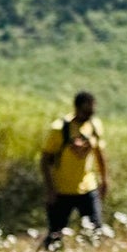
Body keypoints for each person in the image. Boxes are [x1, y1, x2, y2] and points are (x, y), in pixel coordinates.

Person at [41, 93, 108, 244]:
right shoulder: (59, 129)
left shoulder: (94, 126)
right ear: (77, 108)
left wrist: (104, 180)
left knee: (95, 232)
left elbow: (100, 154)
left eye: (91, 112)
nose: (89, 115)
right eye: (86, 111)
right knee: (55, 236)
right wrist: (50, 189)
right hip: (62, 190)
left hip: (88, 188)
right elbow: (44, 160)